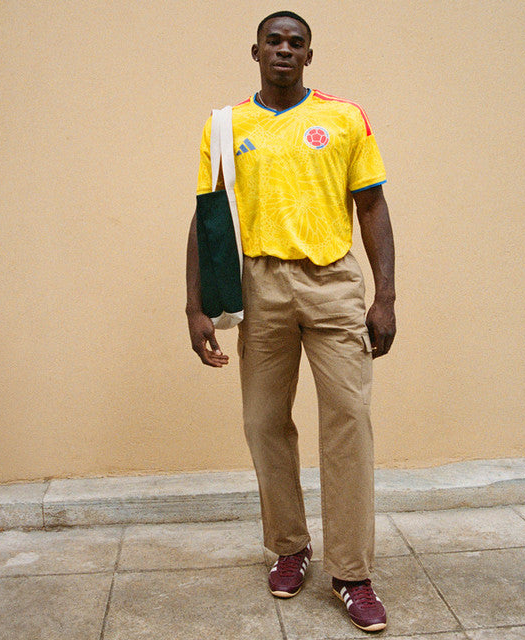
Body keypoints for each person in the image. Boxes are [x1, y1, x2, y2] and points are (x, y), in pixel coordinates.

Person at [186, 10, 396, 633]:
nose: (284, 49)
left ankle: (352, 574)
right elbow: (206, 215)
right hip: (261, 287)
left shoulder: (344, 117)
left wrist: (385, 297)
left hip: (333, 284)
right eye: (273, 41)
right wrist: (195, 306)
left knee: (348, 421)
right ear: (255, 51)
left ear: (309, 55)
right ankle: (289, 546)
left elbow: (373, 205)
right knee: (263, 422)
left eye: (295, 42)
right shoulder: (226, 125)